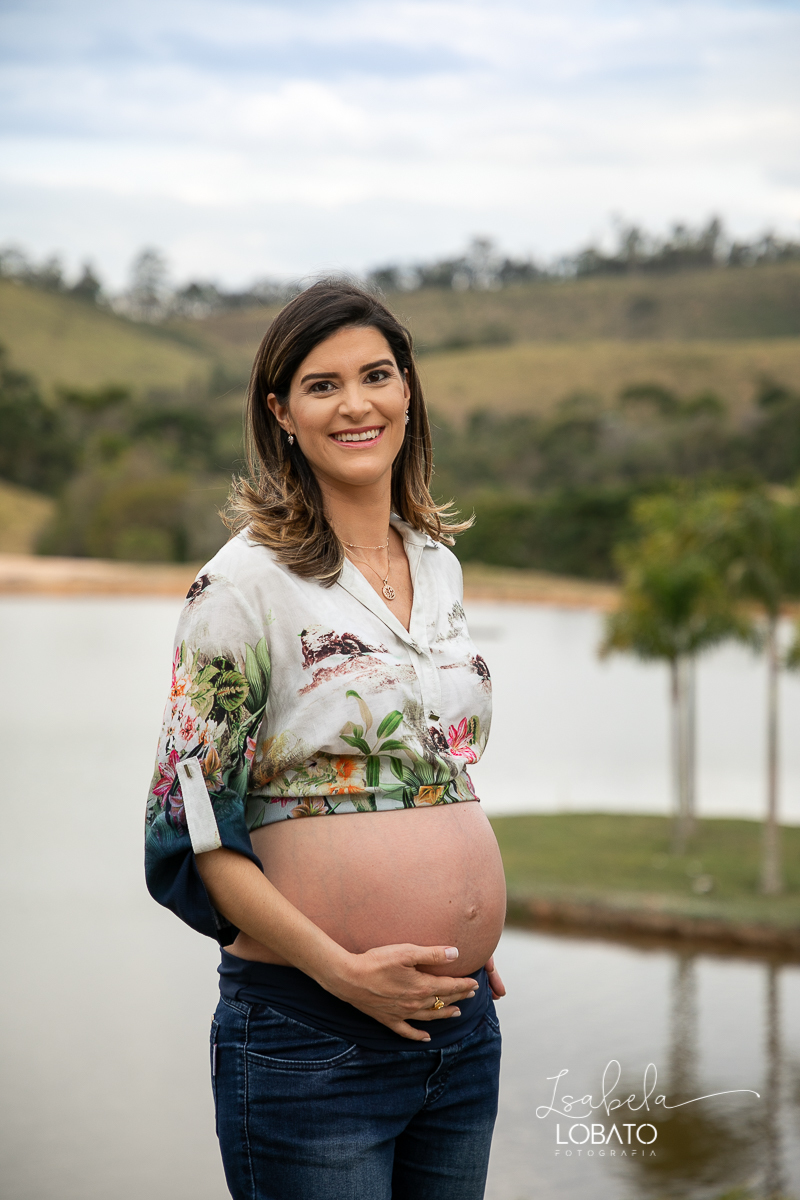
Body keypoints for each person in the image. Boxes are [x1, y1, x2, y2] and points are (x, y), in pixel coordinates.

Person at [145, 280, 507, 1200]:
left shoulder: (437, 562)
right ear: (281, 413)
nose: (357, 404)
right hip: (313, 1038)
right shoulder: (240, 589)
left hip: (458, 1035)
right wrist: (345, 968)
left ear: (409, 390)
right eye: (321, 384)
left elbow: (440, 767)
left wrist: (455, 926)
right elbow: (190, 832)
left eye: (377, 375)